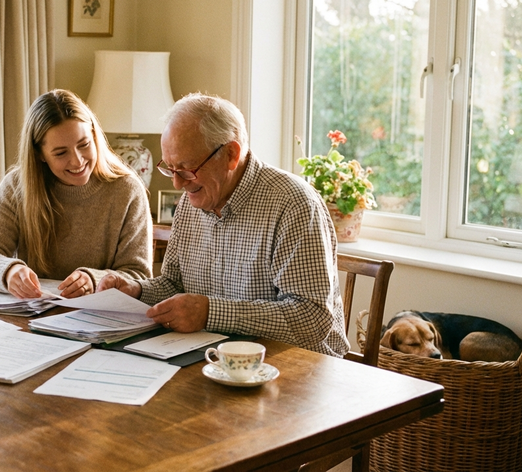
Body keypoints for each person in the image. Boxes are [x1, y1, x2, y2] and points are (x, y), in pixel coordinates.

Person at [98, 93, 348, 357]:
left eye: (187, 168)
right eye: (170, 168)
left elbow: (311, 320)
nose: (177, 184)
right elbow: (175, 285)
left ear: (231, 153)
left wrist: (210, 313)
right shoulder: (192, 201)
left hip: (298, 367)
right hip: (216, 359)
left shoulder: (293, 204)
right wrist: (136, 291)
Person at [0, 89, 152, 300]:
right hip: (33, 316)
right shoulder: (16, 187)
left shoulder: (127, 191)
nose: (77, 161)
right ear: (40, 155)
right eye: (61, 153)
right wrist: (8, 271)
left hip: (98, 320)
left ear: (94, 135)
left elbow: (139, 277)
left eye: (84, 145)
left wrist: (94, 279)